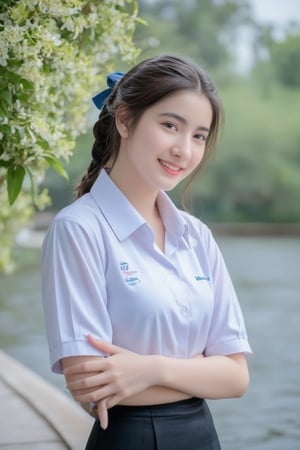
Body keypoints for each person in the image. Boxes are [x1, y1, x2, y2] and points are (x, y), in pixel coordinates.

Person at [41, 54, 252, 450]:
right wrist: (200, 371)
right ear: (124, 120)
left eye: (198, 136)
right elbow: (91, 385)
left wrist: (147, 368)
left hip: (203, 436)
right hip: (129, 438)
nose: (183, 150)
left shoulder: (197, 236)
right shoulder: (79, 229)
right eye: (170, 125)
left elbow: (237, 377)